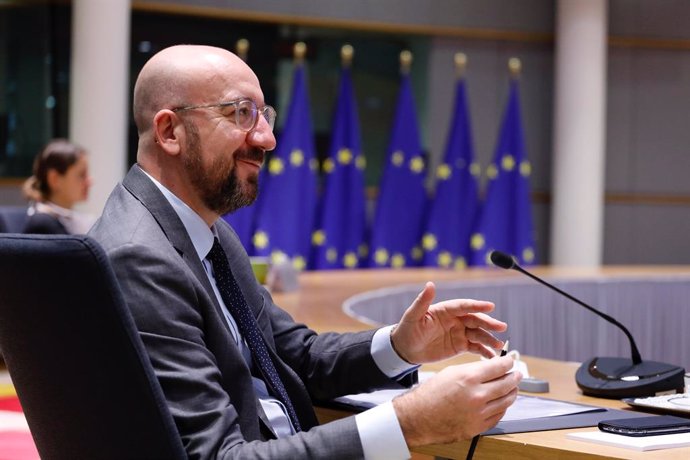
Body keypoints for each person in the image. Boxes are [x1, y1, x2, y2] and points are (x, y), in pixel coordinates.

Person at [89, 44, 522, 459]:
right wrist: (409, 423)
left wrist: (402, 345)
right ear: (170, 132)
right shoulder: (141, 258)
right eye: (241, 113)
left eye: (264, 115)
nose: (267, 138)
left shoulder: (207, 234)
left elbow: (295, 357)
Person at [22, 139, 95, 234]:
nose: (90, 181)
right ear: (54, 179)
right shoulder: (42, 224)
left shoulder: (77, 220)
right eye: (82, 175)